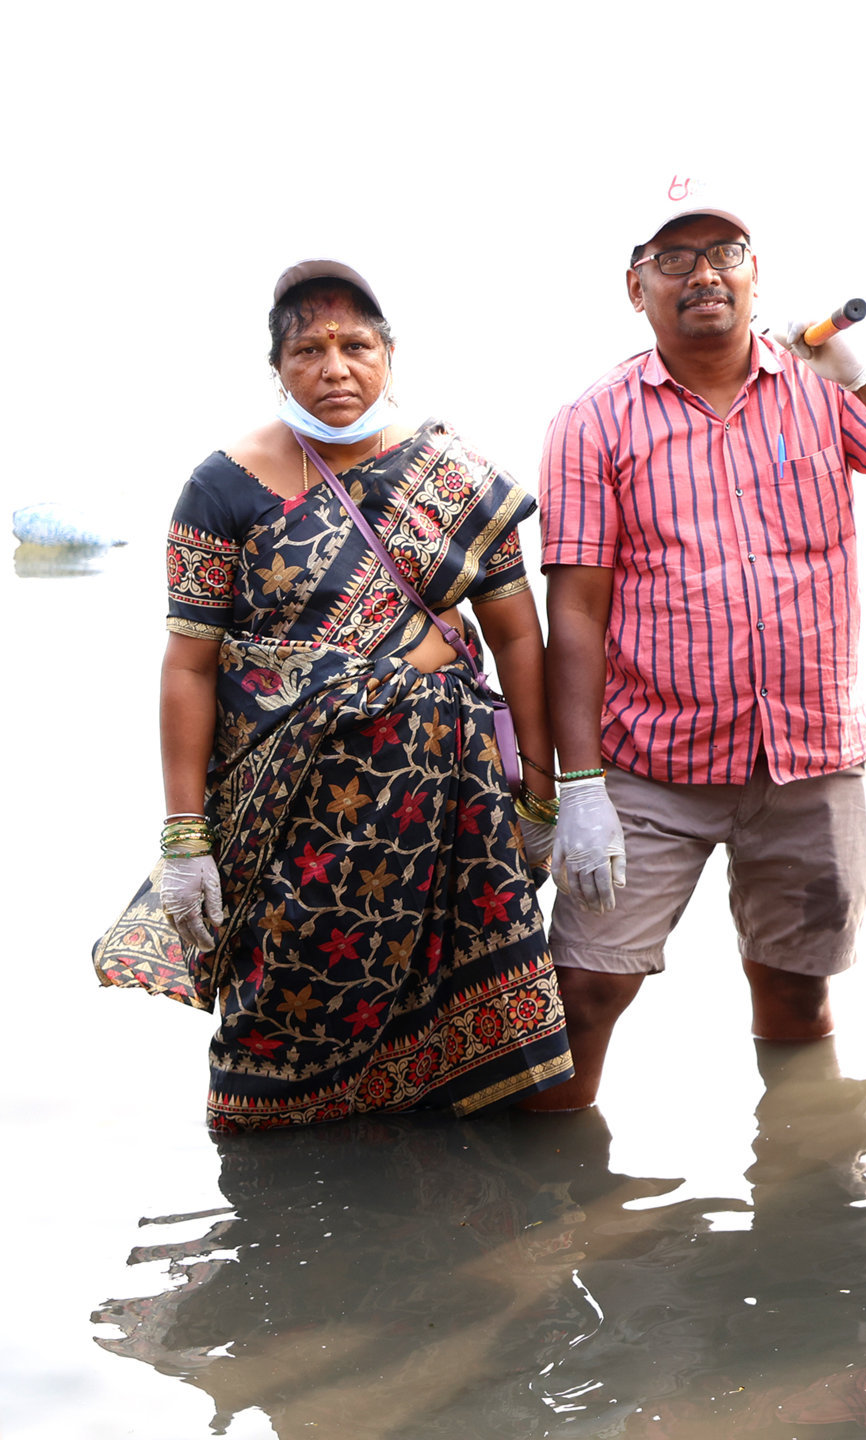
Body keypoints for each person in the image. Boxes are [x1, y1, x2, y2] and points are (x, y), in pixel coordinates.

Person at [527, 179, 866, 1111]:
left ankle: (802, 1183)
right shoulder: (592, 419)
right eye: (674, 258)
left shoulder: (821, 386)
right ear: (636, 286)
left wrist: (859, 372)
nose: (703, 274)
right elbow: (574, 612)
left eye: (724, 253)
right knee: (585, 990)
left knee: (797, 989)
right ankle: (553, 1190)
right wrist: (579, 788)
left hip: (809, 756)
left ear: (756, 274)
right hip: (652, 763)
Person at [93, 260, 574, 1129]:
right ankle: (274, 1177)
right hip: (292, 821)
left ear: (390, 355)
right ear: (276, 367)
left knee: (465, 1039)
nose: (335, 368)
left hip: (451, 812)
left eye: (356, 346)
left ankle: (450, 1189)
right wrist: (184, 836)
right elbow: (190, 665)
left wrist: (544, 792)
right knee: (279, 1014)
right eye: (308, 350)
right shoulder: (221, 487)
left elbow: (516, 638)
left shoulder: (457, 480)